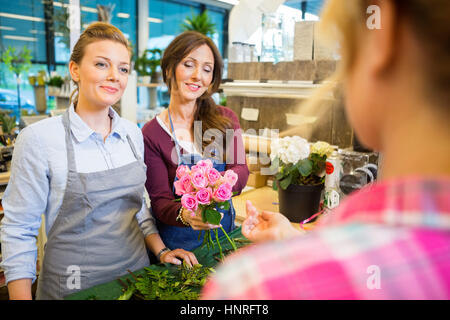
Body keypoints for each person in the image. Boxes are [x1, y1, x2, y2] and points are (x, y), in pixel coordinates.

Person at [202, 0, 450, 299]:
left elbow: (240, 168)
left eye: (344, 50)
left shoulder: (250, 286)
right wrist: (292, 238)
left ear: (383, 38)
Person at [0, 22, 197, 300]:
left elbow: (138, 207)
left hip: (138, 279)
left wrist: (161, 250)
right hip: (72, 287)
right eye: (102, 64)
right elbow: (19, 230)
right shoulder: (39, 139)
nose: (115, 76)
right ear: (75, 70)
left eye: (123, 68)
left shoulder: (131, 133)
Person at [142, 31, 249, 252]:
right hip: (180, 248)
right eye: (189, 64)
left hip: (226, 238)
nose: (197, 76)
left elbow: (241, 168)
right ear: (170, 68)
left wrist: (217, 186)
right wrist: (186, 214)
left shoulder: (225, 119)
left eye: (207, 69)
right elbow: (160, 201)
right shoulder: (152, 133)